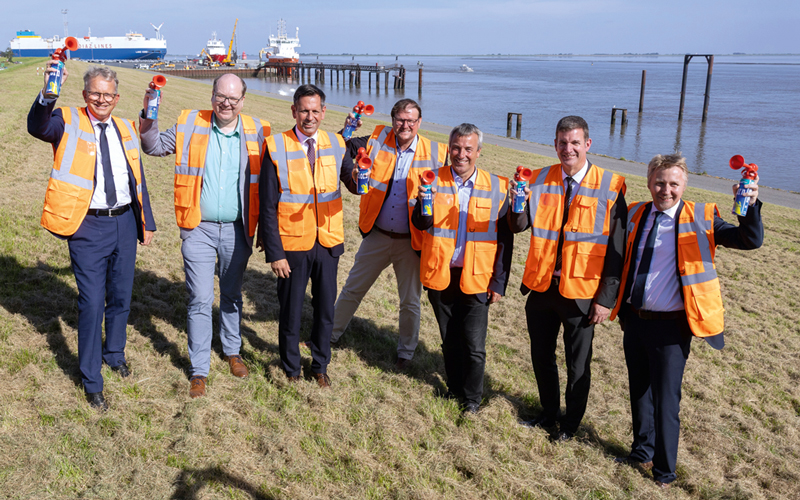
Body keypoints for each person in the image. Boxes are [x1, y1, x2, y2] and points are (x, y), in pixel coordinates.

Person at [610, 153, 763, 489]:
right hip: (634, 319)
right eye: (660, 182)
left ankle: (664, 471)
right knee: (640, 391)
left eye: (673, 183)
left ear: (684, 185)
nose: (666, 190)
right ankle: (641, 451)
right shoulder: (636, 213)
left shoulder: (702, 218)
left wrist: (750, 205)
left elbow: (749, 240)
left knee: (666, 399)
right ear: (649, 181)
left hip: (672, 327)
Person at [27, 64, 156, 411]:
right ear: (85, 95)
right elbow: (37, 126)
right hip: (87, 227)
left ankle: (115, 354)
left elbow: (137, 176)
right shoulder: (67, 120)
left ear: (117, 97)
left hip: (125, 223)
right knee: (92, 302)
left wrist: (146, 224)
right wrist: (48, 94)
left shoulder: (125, 127)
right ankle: (91, 379)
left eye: (108, 94)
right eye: (95, 93)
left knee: (121, 297)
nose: (102, 99)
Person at [139, 74, 271, 398]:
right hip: (198, 227)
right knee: (199, 298)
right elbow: (152, 146)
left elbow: (273, 182)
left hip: (238, 230)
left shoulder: (259, 131)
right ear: (212, 96)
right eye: (220, 96)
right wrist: (148, 113)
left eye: (233, 98)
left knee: (231, 295)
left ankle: (232, 350)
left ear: (243, 100)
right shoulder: (190, 123)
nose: (226, 103)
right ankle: (199, 369)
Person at [509, 115, 627, 440]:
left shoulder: (610, 185)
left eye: (575, 142)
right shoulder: (539, 178)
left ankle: (570, 426)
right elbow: (518, 225)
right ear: (555, 144)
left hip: (582, 293)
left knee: (578, 366)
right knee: (541, 356)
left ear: (588, 144)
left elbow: (618, 251)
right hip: (542, 287)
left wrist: (606, 299)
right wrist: (516, 200)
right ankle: (548, 414)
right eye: (562, 142)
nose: (568, 149)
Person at [331, 99, 448, 369]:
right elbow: (340, 146)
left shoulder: (437, 152)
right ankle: (329, 337)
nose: (404, 125)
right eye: (400, 119)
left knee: (410, 302)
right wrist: (348, 128)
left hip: (412, 242)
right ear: (393, 119)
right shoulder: (377, 137)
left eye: (411, 121)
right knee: (352, 289)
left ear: (419, 123)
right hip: (377, 235)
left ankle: (405, 353)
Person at [410, 123, 513, 413]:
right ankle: (454, 390)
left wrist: (499, 282)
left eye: (468, 149)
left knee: (474, 346)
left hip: (478, 276)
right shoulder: (431, 179)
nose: (461, 154)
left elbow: (506, 239)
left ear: (478, 152)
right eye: (456, 148)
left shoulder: (496, 186)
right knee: (449, 340)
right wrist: (423, 202)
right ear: (448, 148)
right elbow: (421, 224)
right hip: (440, 273)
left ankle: (471, 400)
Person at [259, 85, 357, 388]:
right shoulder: (275, 146)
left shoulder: (336, 143)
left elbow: (354, 186)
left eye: (315, 111)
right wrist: (275, 253)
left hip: (327, 243)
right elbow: (267, 205)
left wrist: (361, 176)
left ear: (324, 112)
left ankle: (320, 364)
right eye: (304, 110)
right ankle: (291, 367)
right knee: (291, 311)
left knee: (326, 309)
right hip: (292, 245)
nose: (309, 117)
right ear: (293, 111)